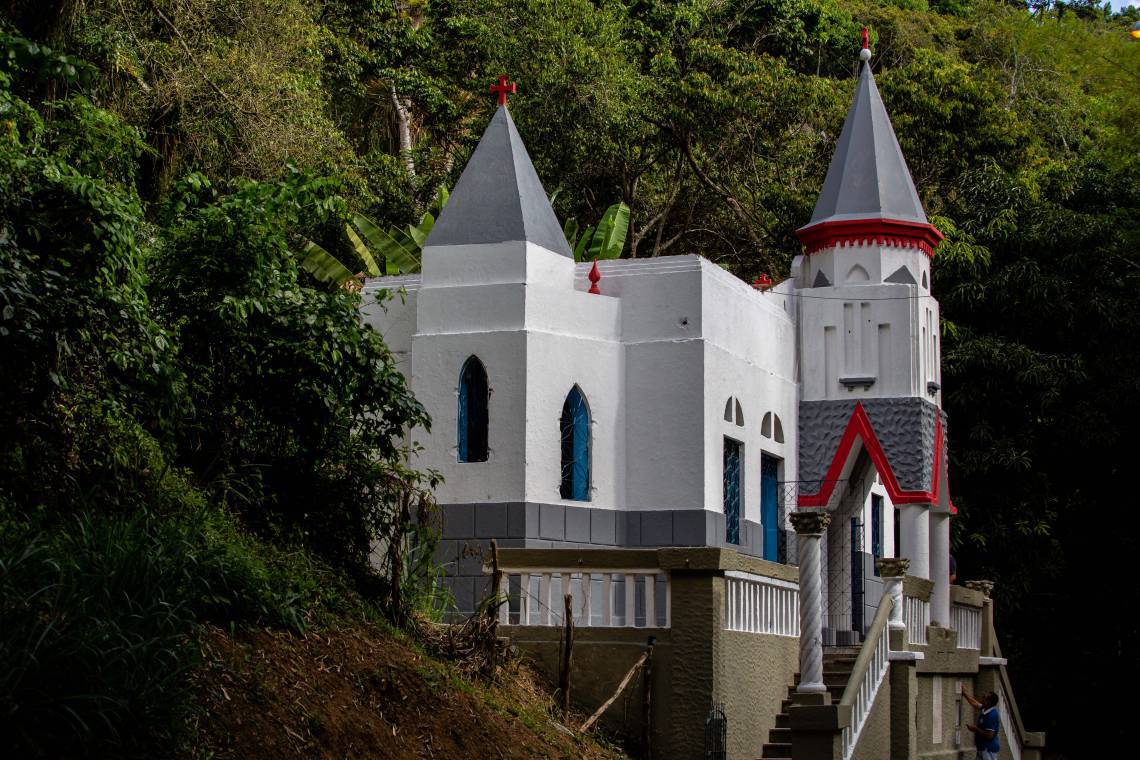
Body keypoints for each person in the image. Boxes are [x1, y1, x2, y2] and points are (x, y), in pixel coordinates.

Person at [962, 687, 1000, 760]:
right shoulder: (985, 708)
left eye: (984, 697)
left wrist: (976, 729)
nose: (982, 697)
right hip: (982, 748)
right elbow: (975, 704)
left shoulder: (991, 715)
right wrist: (965, 694)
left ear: (988, 702)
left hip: (988, 750)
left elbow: (989, 735)